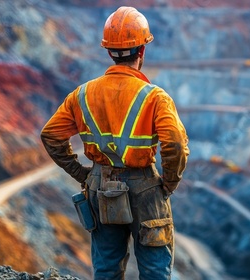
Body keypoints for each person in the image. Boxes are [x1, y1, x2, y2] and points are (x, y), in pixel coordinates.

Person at [40, 6, 189, 280]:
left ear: (109, 52)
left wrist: (83, 174)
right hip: (146, 189)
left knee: (107, 269)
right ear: (142, 51)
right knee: (155, 271)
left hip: (100, 188)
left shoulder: (82, 95)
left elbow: (50, 136)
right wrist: (168, 184)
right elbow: (175, 145)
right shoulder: (156, 98)